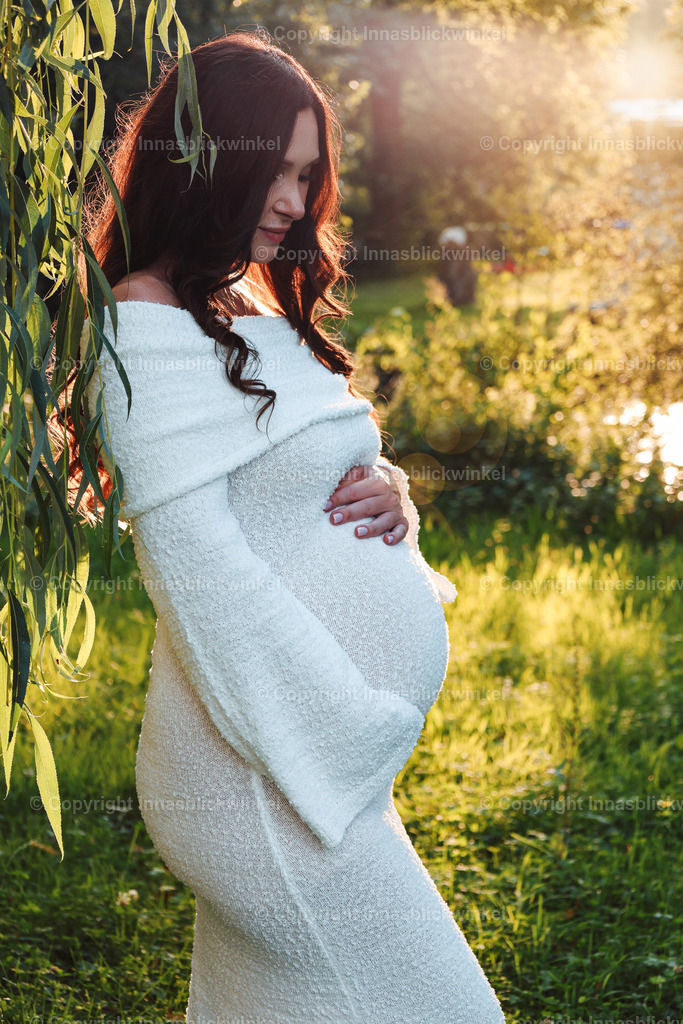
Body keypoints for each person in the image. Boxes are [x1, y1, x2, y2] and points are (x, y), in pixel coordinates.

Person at [76, 30, 506, 1024]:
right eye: (271, 170)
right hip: (265, 774)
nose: (290, 198)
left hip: (292, 771)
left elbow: (291, 469)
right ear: (201, 165)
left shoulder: (242, 298)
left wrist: (387, 485)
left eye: (305, 174)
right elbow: (197, 569)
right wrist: (344, 734)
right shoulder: (145, 317)